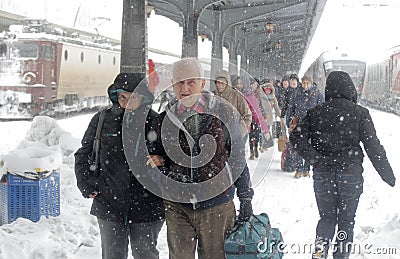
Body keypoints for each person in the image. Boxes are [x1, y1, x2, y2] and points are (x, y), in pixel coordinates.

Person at [150, 58, 254, 259]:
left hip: (217, 205)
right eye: (180, 82)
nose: (185, 88)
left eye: (191, 82)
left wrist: (246, 196)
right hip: (178, 207)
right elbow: (154, 160)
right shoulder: (163, 120)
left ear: (203, 84)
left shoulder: (224, 112)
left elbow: (237, 156)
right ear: (173, 84)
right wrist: (165, 173)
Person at [290, 71, 396, 259]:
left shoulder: (316, 112)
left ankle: (319, 254)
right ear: (349, 88)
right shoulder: (359, 113)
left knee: (326, 218)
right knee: (346, 222)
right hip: (350, 175)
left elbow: (296, 136)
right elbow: (373, 147)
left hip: (323, 175)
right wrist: (387, 175)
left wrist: (316, 159)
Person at [74, 73, 165, 259]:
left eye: (133, 98)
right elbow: (83, 154)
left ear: (143, 97)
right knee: (112, 255)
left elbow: (172, 159)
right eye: (122, 97)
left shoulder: (156, 122)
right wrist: (86, 183)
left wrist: (162, 161)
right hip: (109, 203)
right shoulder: (102, 120)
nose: (126, 103)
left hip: (148, 205)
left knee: (145, 254)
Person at [289, 73, 324, 178]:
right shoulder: (296, 93)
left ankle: (307, 169)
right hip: (299, 124)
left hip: (312, 125)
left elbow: (322, 109)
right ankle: (299, 169)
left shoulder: (317, 94)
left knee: (310, 148)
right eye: (304, 83)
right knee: (300, 147)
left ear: (311, 83)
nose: (305, 85)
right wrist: (289, 122)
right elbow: (291, 108)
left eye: (307, 83)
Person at [213, 69, 252, 138]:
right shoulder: (212, 95)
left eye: (223, 83)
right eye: (218, 82)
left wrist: (239, 132)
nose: (220, 85)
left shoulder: (237, 96)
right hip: (217, 136)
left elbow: (247, 115)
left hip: (235, 136)